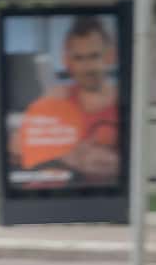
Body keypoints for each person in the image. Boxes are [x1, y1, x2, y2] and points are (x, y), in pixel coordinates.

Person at [15, 16, 120, 184]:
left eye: (94, 56)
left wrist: (114, 164)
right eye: (79, 58)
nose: (87, 68)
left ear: (109, 57)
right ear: (68, 62)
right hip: (53, 193)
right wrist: (67, 155)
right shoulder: (55, 100)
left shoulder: (125, 101)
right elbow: (18, 149)